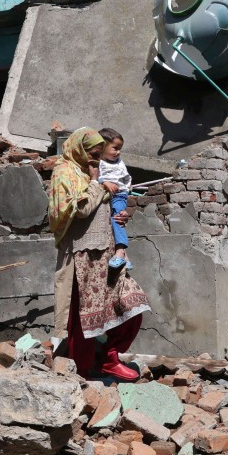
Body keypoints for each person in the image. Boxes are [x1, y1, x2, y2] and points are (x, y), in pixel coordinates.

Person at [49, 128, 152, 381]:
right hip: (80, 255)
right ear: (79, 150)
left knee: (132, 305)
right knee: (83, 321)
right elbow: (80, 209)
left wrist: (119, 217)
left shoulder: (96, 171)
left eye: (97, 154)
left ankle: (110, 357)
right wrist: (97, 184)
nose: (95, 159)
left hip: (106, 254)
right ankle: (82, 375)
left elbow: (105, 205)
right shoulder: (65, 172)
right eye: (92, 154)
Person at [97, 127, 133, 271]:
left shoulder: (119, 162)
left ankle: (120, 251)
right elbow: (95, 176)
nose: (118, 152)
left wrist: (125, 189)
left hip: (118, 195)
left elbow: (126, 178)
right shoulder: (99, 161)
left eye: (120, 149)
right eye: (115, 148)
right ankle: (126, 258)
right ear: (103, 146)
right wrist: (105, 183)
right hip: (105, 196)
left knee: (117, 219)